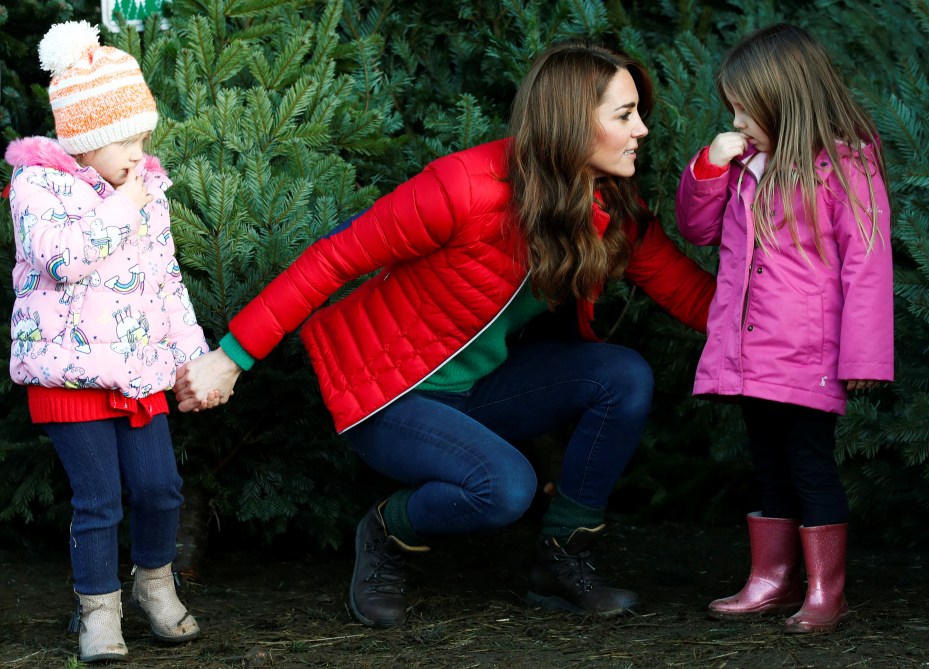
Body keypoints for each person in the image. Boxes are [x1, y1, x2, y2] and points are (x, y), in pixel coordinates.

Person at [174, 40, 716, 628]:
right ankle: (386, 531)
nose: (640, 129)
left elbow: (691, 296)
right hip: (391, 394)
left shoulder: (608, 207)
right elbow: (332, 260)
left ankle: (562, 558)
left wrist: (799, 340)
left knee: (623, 376)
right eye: (623, 114)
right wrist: (231, 358)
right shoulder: (461, 188)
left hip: (480, 390)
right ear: (570, 122)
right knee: (507, 488)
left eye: (638, 112)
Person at [5, 21, 216, 662]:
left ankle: (154, 583)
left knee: (159, 488)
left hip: (137, 368)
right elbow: (63, 258)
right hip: (67, 374)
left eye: (142, 137)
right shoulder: (37, 187)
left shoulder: (144, 190)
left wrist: (192, 354)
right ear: (85, 137)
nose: (136, 153)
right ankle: (98, 611)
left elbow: (166, 277)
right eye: (122, 140)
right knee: (98, 499)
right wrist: (123, 205)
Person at [675, 23, 893, 634]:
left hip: (808, 353)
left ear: (785, 102)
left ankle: (827, 590)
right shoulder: (742, 163)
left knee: (809, 464)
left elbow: (868, 264)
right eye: (733, 110)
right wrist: (709, 166)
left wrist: (865, 360)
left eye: (746, 111)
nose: (737, 122)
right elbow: (696, 229)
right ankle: (770, 580)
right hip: (749, 352)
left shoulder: (845, 166)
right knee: (768, 464)